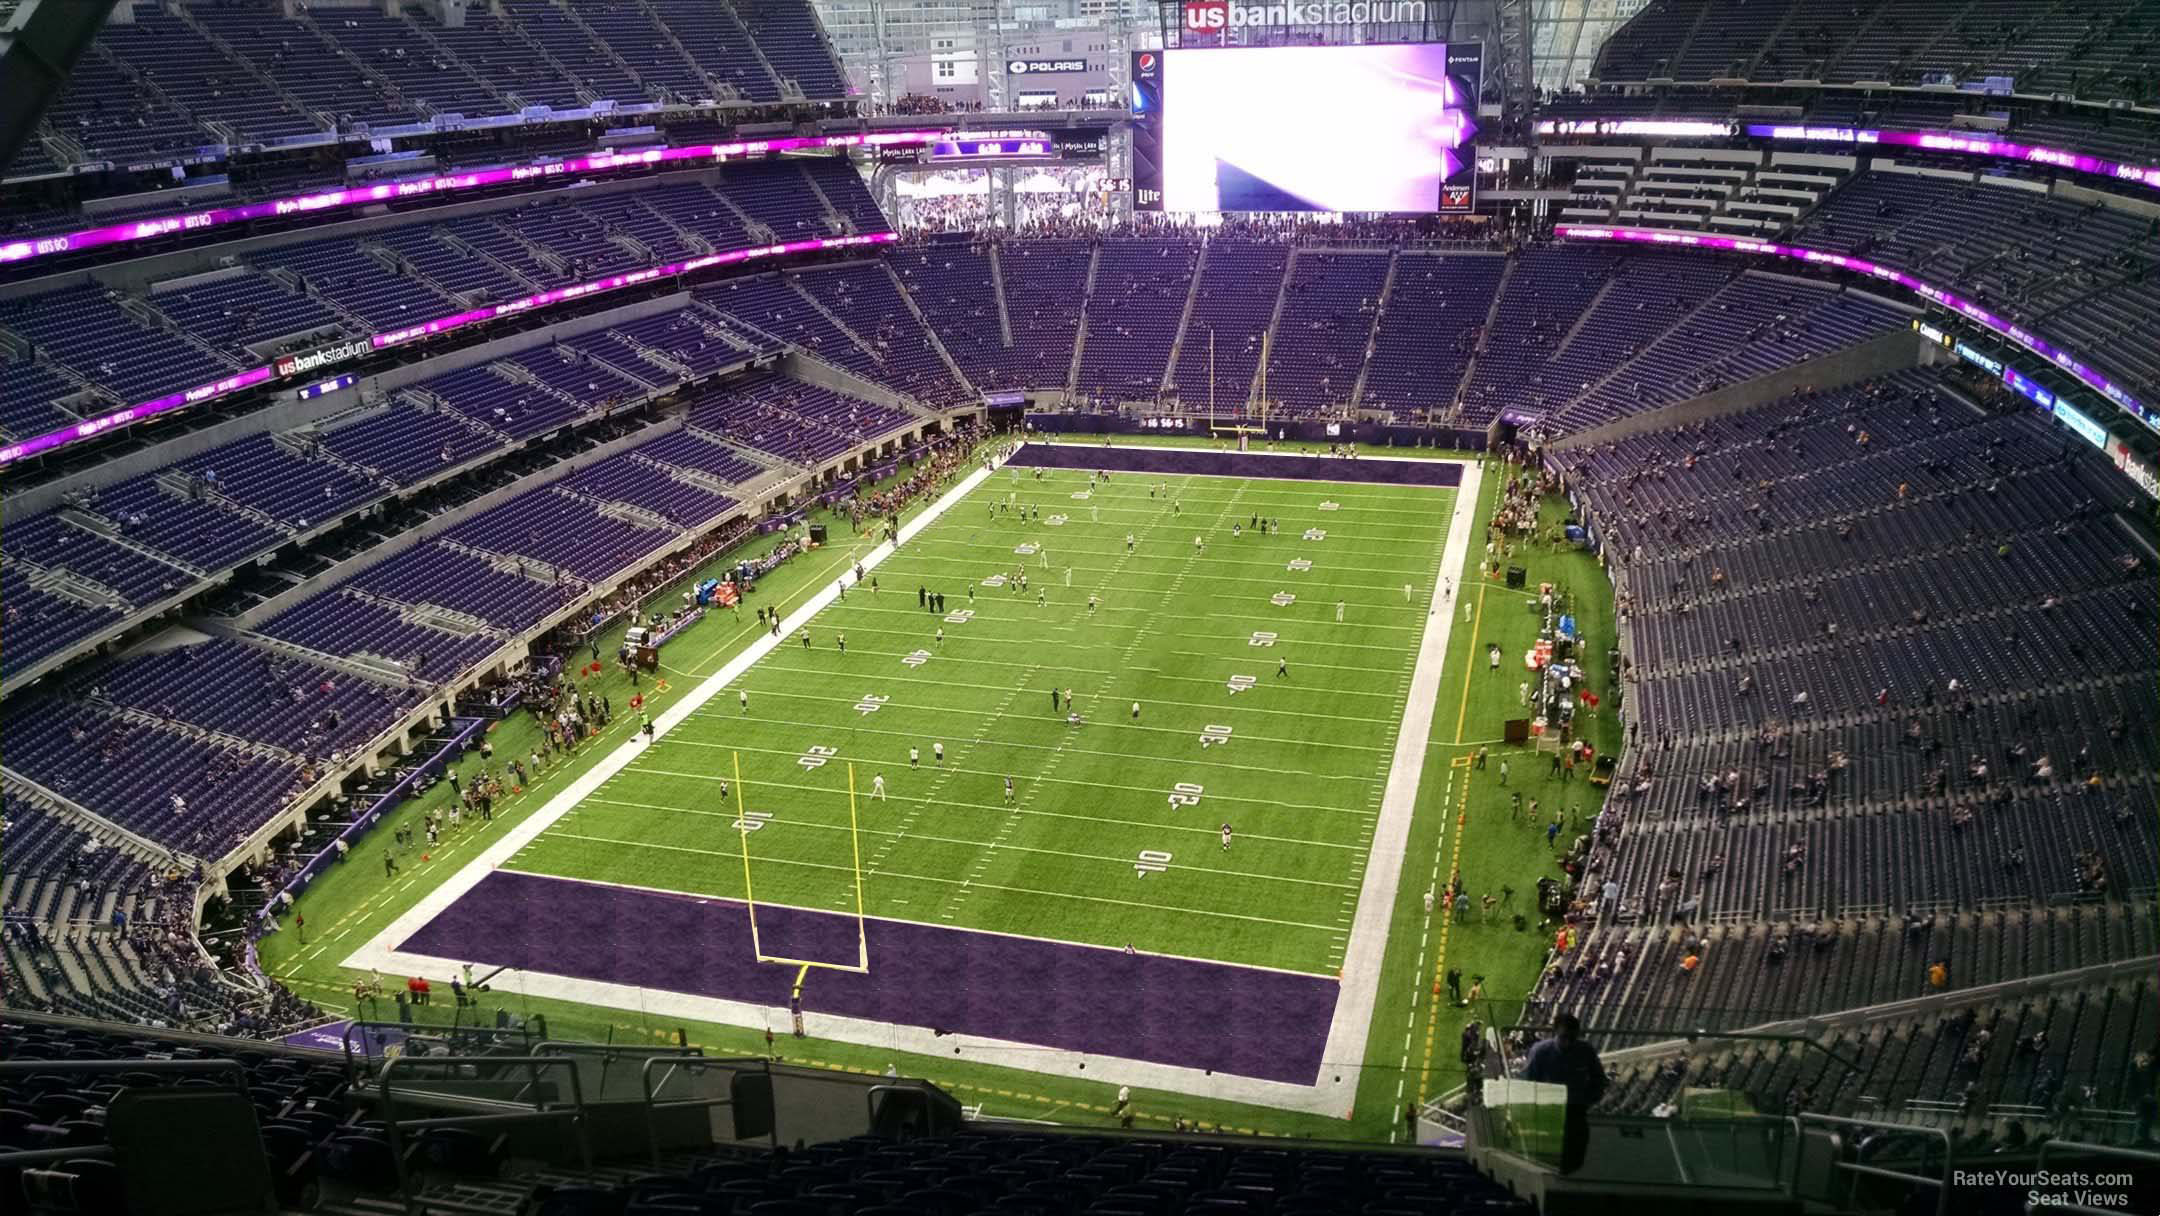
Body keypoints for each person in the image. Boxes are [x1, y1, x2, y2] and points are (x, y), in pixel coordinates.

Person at [1522, 1013, 1608, 1174]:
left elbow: (1599, 1079)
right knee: (1545, 1158)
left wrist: (1588, 1100)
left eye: (1572, 1038)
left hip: (1575, 1110)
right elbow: (1528, 1082)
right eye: (1564, 1037)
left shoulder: (1585, 1050)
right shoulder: (1540, 1051)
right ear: (1555, 1032)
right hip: (1547, 1110)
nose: (1568, 1043)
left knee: (1575, 1158)